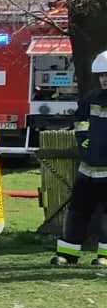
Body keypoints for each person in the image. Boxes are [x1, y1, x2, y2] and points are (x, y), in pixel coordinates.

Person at [54, 49, 107, 266]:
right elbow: (81, 120)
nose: (104, 79)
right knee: (77, 212)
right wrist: (83, 139)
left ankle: (104, 256)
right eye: (101, 75)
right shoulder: (92, 97)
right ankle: (67, 254)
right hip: (87, 170)